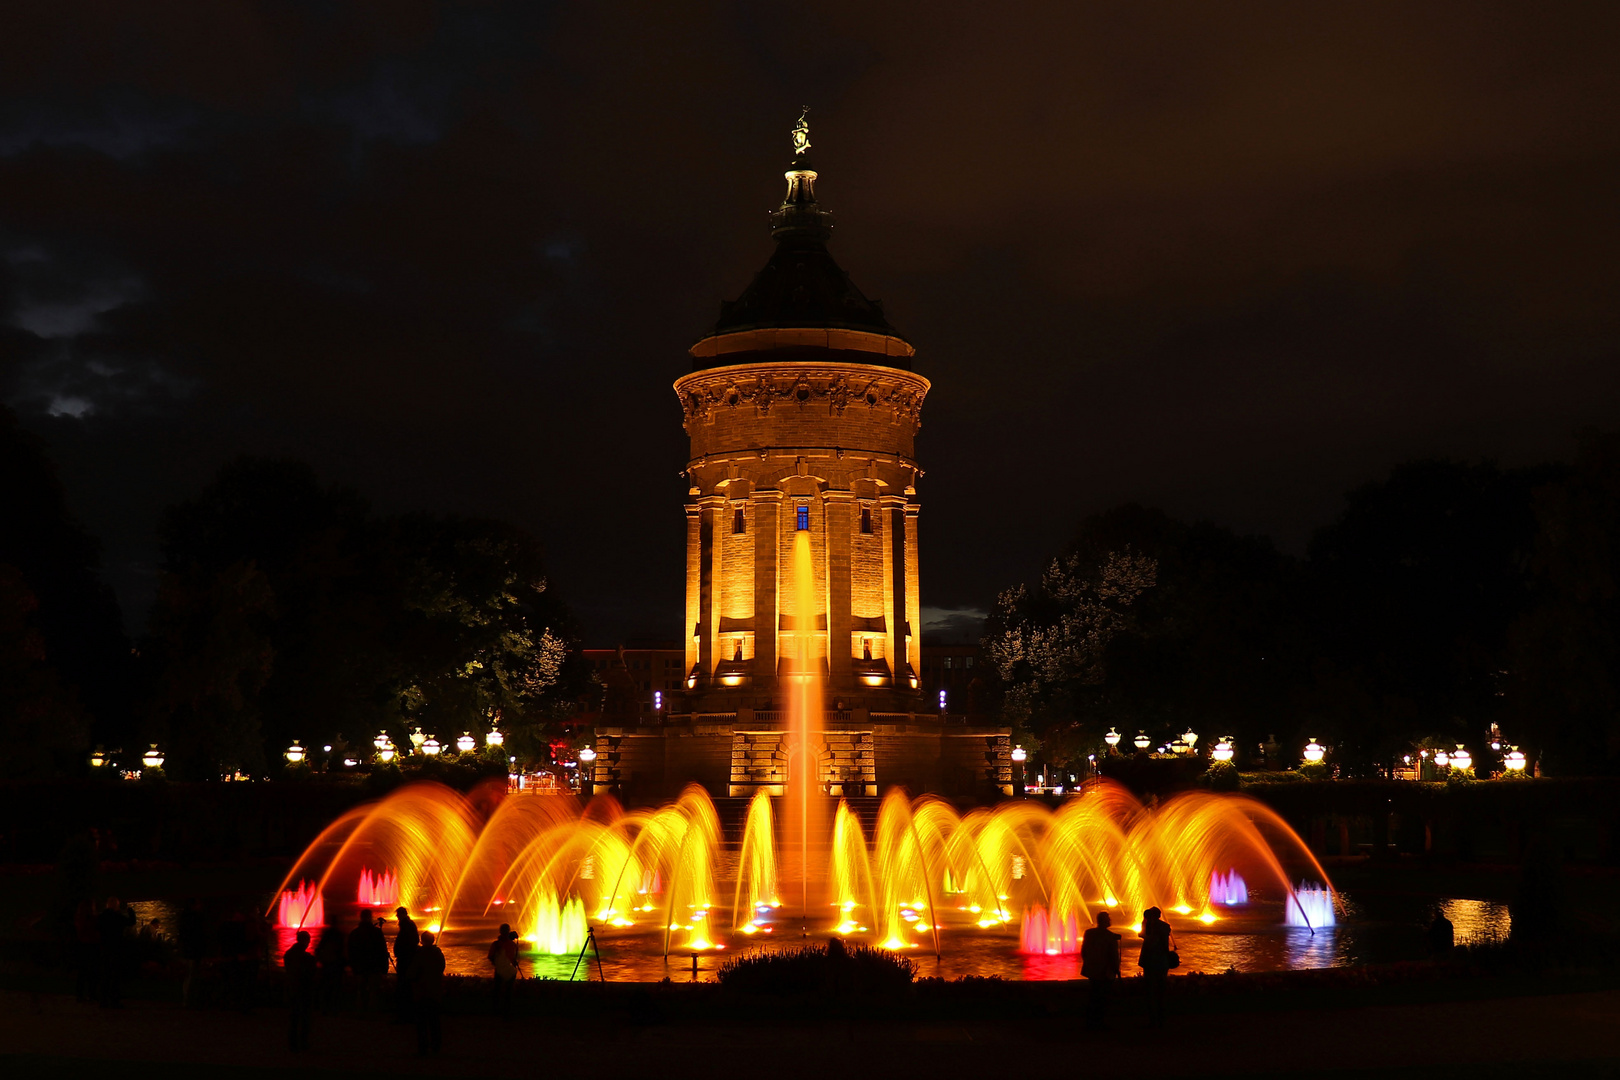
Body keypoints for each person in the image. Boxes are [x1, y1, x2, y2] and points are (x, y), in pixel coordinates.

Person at [1080, 910, 1121, 1030]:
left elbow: (1084, 951)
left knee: (1093, 996)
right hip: (1104, 972)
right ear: (1104, 921)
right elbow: (1113, 956)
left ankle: (1090, 1022)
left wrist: (1089, 963)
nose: (1110, 920)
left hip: (1093, 970)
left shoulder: (1089, 933)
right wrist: (1115, 969)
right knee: (1103, 998)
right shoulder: (1110, 936)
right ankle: (1099, 1022)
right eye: (1108, 918)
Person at [411, 930, 447, 1057]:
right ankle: (436, 1045)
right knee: (434, 1021)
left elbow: (413, 972)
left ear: (422, 941)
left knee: (421, 1022)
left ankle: (423, 1047)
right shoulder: (438, 953)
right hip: (434, 991)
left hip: (422, 992)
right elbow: (442, 967)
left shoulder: (419, 954)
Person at [94, 896, 135, 1008]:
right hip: (116, 948)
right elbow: (131, 921)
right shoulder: (118, 917)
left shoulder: (102, 917)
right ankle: (114, 999)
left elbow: (96, 928)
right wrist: (130, 911)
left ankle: (103, 999)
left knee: (105, 974)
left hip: (104, 947)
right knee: (114, 975)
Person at [1137, 906, 1174, 1028]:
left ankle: (1153, 1019)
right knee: (1161, 989)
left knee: (1151, 989)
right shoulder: (1165, 926)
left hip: (1150, 960)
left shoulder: (1149, 926)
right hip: (1161, 960)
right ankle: (1162, 1018)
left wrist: (1144, 922)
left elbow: (1143, 936)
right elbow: (1164, 943)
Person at [283, 929, 317, 1052]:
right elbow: (311, 974)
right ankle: (303, 1042)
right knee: (305, 1017)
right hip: (304, 990)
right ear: (306, 941)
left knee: (293, 1016)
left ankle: (292, 1042)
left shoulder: (288, 954)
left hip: (292, 988)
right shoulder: (307, 958)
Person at [348, 910, 387, 1012]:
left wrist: (353, 967)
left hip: (360, 967)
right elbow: (383, 951)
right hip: (374, 966)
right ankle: (373, 1012)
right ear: (370, 917)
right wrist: (384, 969)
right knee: (374, 991)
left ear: (361, 918)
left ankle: (362, 1011)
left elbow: (351, 951)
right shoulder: (377, 932)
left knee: (362, 989)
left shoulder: (355, 933)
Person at [178, 900, 209, 1009]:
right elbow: (200, 936)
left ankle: (189, 999)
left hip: (190, 951)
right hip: (194, 951)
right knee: (192, 975)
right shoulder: (196, 919)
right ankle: (191, 999)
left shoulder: (186, 919)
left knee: (190, 976)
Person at [392, 906, 420, 1023]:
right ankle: (407, 1013)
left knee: (403, 986)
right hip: (407, 959)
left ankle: (404, 1014)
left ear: (402, 914)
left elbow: (408, 942)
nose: (397, 918)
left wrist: (400, 952)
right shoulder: (409, 925)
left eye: (398, 915)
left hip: (405, 960)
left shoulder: (406, 926)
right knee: (406, 986)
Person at [488, 923, 519, 1016]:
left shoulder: (496, 944)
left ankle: (496, 1011)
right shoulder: (512, 945)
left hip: (499, 971)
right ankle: (507, 1012)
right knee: (508, 992)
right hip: (510, 972)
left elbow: (490, 956)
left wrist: (497, 964)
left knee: (497, 991)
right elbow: (515, 959)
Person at [315, 925, 346, 1011]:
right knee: (335, 988)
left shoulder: (327, 936)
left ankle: (325, 1007)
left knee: (327, 987)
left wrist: (320, 961)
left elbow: (319, 949)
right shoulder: (339, 937)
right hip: (336, 967)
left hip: (327, 966)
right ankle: (334, 1008)